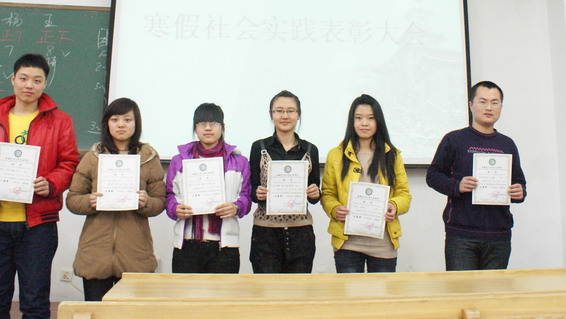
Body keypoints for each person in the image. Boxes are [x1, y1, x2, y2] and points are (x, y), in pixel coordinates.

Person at [0, 53, 79, 319]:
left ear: (44, 84)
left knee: (35, 301)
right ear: (13, 79)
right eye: (24, 78)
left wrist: (51, 183)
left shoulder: (60, 121)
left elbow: (69, 163)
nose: (29, 85)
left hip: (38, 225)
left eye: (37, 80)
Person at [66, 98, 166, 301]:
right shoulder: (93, 157)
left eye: (127, 120)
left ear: (136, 123)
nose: (121, 125)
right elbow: (72, 199)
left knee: (128, 313)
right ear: (107, 123)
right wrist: (89, 201)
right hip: (95, 253)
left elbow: (160, 202)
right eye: (115, 119)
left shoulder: (148, 158)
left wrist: (146, 202)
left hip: (135, 254)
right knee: (97, 311)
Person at [426, 80, 527, 271]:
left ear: (501, 106)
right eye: (483, 101)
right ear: (471, 105)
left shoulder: (507, 144)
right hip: (461, 235)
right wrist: (457, 186)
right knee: (463, 289)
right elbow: (433, 175)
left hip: (499, 235)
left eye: (495, 102)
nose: (489, 107)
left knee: (493, 289)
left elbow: (519, 182)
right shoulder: (454, 139)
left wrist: (519, 191)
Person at [321, 94, 411, 273]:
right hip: (347, 243)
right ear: (351, 121)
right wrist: (334, 209)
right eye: (358, 118)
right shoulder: (335, 155)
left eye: (371, 118)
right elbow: (328, 193)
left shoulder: (392, 155)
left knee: (381, 291)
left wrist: (394, 205)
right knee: (350, 291)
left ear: (378, 122)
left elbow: (404, 194)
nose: (364, 123)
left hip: (383, 243)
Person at [165, 103, 251, 273]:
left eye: (214, 123)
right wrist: (175, 208)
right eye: (202, 124)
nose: (208, 128)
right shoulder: (179, 161)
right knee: (185, 291)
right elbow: (169, 195)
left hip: (224, 246)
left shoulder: (239, 162)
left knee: (223, 291)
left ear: (222, 127)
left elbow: (246, 197)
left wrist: (236, 207)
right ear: (195, 128)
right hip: (187, 244)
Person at [249, 90, 321, 273]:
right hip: (265, 233)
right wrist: (257, 192)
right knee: (267, 287)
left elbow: (314, 195)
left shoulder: (310, 149)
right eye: (279, 111)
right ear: (271, 114)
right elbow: (251, 189)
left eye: (290, 111)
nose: (285, 116)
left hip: (301, 233)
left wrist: (315, 192)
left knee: (298, 288)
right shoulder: (259, 147)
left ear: (299, 114)